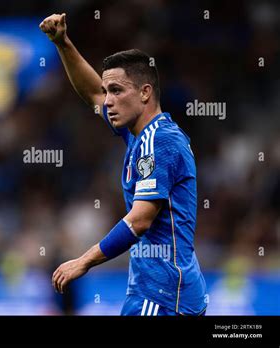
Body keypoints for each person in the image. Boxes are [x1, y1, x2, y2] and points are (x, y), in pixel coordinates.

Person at [40, 13, 207, 316]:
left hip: (162, 296)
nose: (108, 101)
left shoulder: (160, 141)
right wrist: (62, 43)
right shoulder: (138, 135)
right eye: (108, 92)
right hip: (162, 291)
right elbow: (91, 92)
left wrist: (83, 261)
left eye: (116, 91)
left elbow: (140, 220)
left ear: (145, 93)